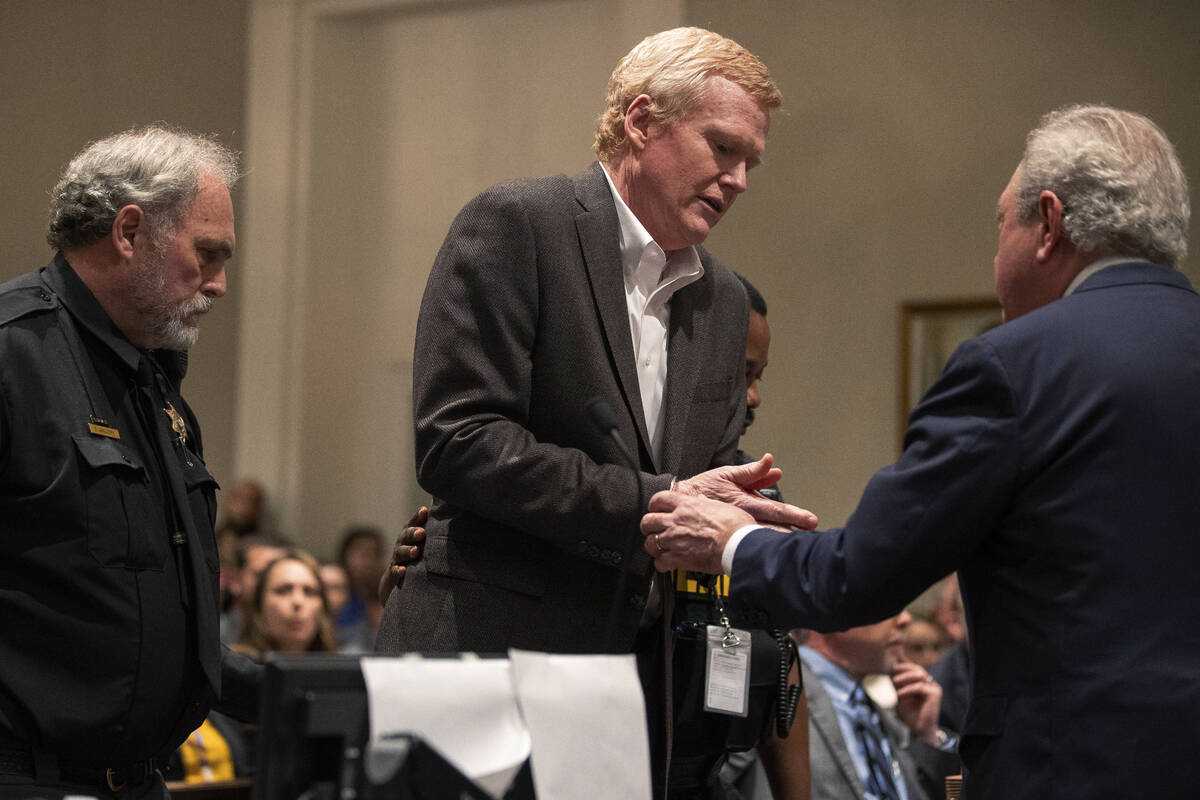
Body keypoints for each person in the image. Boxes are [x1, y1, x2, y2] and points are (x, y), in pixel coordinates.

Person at [641, 104, 1200, 797]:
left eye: (1001, 226)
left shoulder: (1018, 366)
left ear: (1049, 223)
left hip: (1076, 769)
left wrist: (732, 541)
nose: (996, 261)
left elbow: (859, 578)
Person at [375, 27, 814, 797]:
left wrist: (735, 512)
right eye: (722, 147)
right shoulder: (518, 225)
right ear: (642, 121)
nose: (739, 178)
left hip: (631, 692)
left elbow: (699, 474)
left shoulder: (725, 302)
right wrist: (660, 501)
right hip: (483, 665)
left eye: (752, 162)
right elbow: (459, 441)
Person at [0, 125, 260, 798]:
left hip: (141, 781)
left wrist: (309, 687)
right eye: (207, 254)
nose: (220, 284)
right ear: (128, 232)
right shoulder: (12, 357)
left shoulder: (155, 384)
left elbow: (154, 625)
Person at [799, 612, 958, 800]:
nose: (905, 618)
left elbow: (950, 793)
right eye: (887, 604)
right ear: (830, 610)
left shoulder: (871, 708)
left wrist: (927, 735)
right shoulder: (780, 697)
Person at [235, 551, 338, 660]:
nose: (298, 601)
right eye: (283, 590)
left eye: (309, 591)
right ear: (259, 604)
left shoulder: (342, 672)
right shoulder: (231, 670)